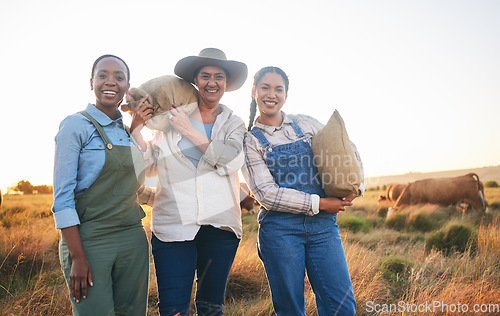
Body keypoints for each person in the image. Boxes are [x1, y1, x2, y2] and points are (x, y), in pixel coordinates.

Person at [132, 48, 248, 316]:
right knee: (173, 309)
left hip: (220, 227)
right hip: (173, 227)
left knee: (210, 307)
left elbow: (231, 161)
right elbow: (148, 167)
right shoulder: (169, 120)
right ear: (196, 81)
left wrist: (190, 131)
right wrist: (137, 128)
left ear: (226, 84)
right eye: (205, 75)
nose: (212, 82)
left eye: (219, 76)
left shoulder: (233, 123)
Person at [242, 66, 364, 316]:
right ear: (254, 91)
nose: (271, 94)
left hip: (323, 229)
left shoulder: (305, 123)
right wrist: (320, 203)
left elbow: (346, 147)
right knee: (291, 310)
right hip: (280, 231)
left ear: (286, 94)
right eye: (265, 87)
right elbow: (266, 193)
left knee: (341, 306)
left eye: (279, 89)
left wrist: (356, 186)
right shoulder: (250, 140)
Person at [52, 54, 152, 316]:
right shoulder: (76, 125)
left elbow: (138, 187)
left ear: (127, 87)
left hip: (132, 238)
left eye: (119, 77)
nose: (111, 81)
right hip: (89, 241)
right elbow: (62, 199)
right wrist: (77, 257)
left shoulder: (129, 132)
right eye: (103, 75)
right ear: (91, 82)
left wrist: (136, 129)